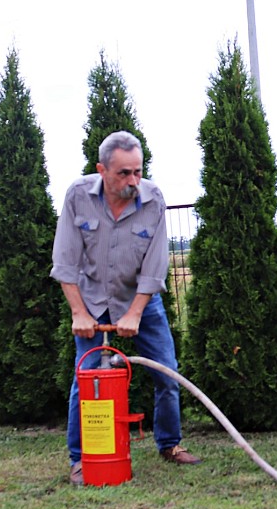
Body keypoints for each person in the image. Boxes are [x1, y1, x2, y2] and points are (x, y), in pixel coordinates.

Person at [51, 130, 201, 485]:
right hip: (92, 300)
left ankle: (169, 444)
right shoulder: (77, 196)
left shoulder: (153, 200)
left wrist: (135, 312)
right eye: (124, 173)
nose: (134, 180)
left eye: (138, 171)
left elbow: (155, 266)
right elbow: (65, 262)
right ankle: (80, 459)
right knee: (85, 378)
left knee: (167, 372)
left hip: (140, 300)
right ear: (101, 170)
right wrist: (79, 313)